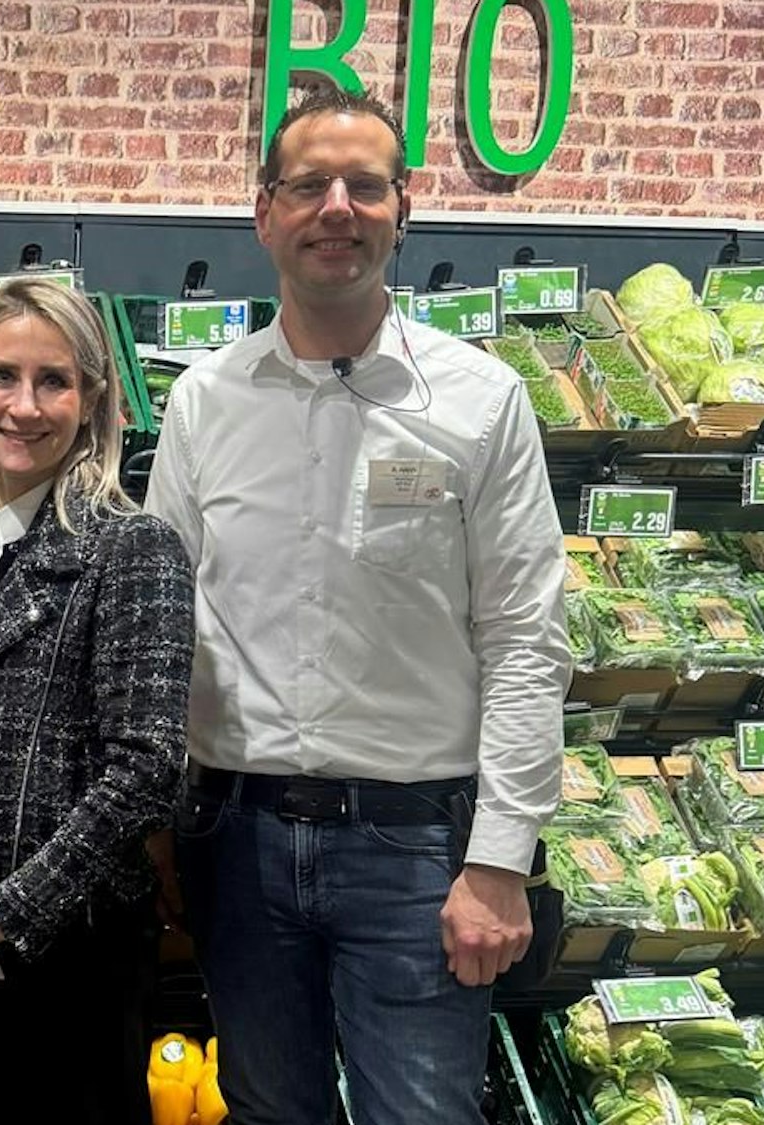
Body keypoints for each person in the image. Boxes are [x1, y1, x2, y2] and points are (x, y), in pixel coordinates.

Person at [144, 87, 569, 1125]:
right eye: (306, 185)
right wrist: (152, 827)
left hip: (417, 851)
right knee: (265, 1109)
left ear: (400, 209)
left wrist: (498, 862)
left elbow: (523, 639)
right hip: (235, 842)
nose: (335, 207)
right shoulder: (204, 400)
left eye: (363, 185)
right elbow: (157, 627)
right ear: (263, 213)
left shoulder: (478, 401)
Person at [0, 278, 193, 1125]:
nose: (24, 406)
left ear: (92, 398)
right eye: (3, 376)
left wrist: (9, 911)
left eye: (53, 381)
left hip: (77, 949)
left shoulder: (132, 547)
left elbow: (147, 768)